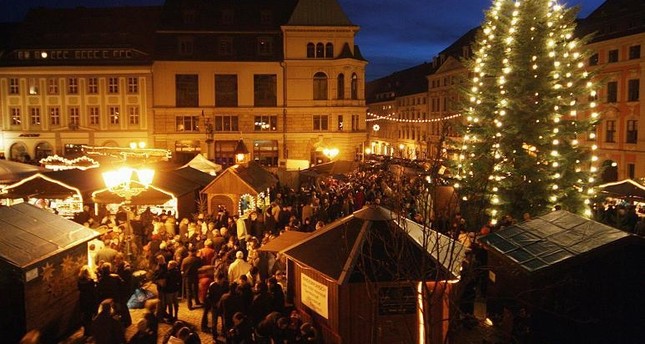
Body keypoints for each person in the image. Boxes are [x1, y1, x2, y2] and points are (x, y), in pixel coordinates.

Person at [201, 272, 228, 337]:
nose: (221, 282)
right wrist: (213, 304)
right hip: (215, 306)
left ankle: (223, 332)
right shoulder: (213, 285)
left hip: (222, 305)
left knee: (223, 319)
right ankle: (214, 334)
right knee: (214, 321)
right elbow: (209, 297)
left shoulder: (226, 284)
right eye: (220, 280)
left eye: (222, 280)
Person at [77, 265, 98, 338]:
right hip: (90, 299)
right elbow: (93, 291)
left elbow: (79, 289)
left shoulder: (79, 280)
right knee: (91, 315)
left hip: (83, 299)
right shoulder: (90, 281)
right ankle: (91, 331)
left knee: (86, 316)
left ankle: (86, 331)